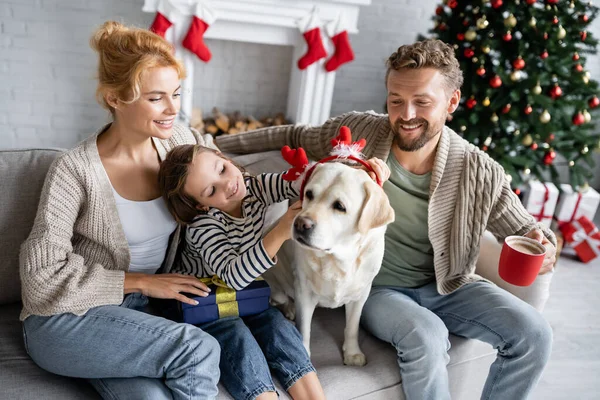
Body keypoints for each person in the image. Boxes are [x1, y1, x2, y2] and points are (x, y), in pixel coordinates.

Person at [215, 39, 557, 400]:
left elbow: (526, 228)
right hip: (378, 288)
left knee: (534, 333)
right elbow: (293, 135)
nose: (406, 114)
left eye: (422, 101)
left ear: (452, 102)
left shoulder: (479, 170)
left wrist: (544, 241)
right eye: (396, 100)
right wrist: (215, 146)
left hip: (450, 284)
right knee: (426, 337)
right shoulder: (362, 131)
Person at [19, 21, 221, 399]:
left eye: (176, 94)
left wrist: (314, 145)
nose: (172, 109)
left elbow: (231, 153)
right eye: (156, 98)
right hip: (64, 317)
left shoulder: (178, 143)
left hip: (133, 315)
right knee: (197, 348)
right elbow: (39, 280)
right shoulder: (74, 170)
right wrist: (143, 281)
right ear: (115, 97)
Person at [158, 144, 326, 400]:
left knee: (278, 328)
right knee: (236, 339)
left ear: (225, 159)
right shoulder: (202, 225)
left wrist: (351, 169)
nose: (227, 185)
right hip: (203, 300)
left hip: (246, 295)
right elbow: (232, 277)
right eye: (211, 190)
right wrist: (280, 232)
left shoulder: (255, 187)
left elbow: (300, 184)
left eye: (223, 169)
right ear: (201, 205)